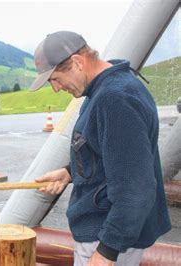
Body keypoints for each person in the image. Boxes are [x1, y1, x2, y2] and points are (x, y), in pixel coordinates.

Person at [31, 31, 171, 266]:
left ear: (77, 62)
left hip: (106, 235)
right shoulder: (105, 89)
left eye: (55, 78)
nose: (55, 88)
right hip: (108, 231)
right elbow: (107, 153)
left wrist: (107, 251)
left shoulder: (115, 99)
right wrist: (69, 172)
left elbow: (136, 189)